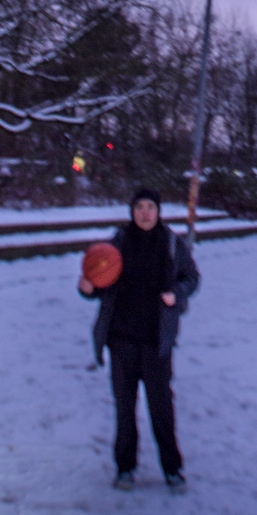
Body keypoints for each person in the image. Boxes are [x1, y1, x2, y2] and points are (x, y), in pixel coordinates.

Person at [79, 187, 200, 490]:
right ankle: (125, 467)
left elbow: (192, 278)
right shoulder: (115, 245)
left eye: (150, 207)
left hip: (156, 341)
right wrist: (87, 287)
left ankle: (172, 469)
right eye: (139, 207)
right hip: (122, 340)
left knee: (161, 408)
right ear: (131, 211)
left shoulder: (173, 244)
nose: (145, 213)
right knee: (124, 408)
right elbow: (99, 282)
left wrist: (177, 293)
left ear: (158, 211)